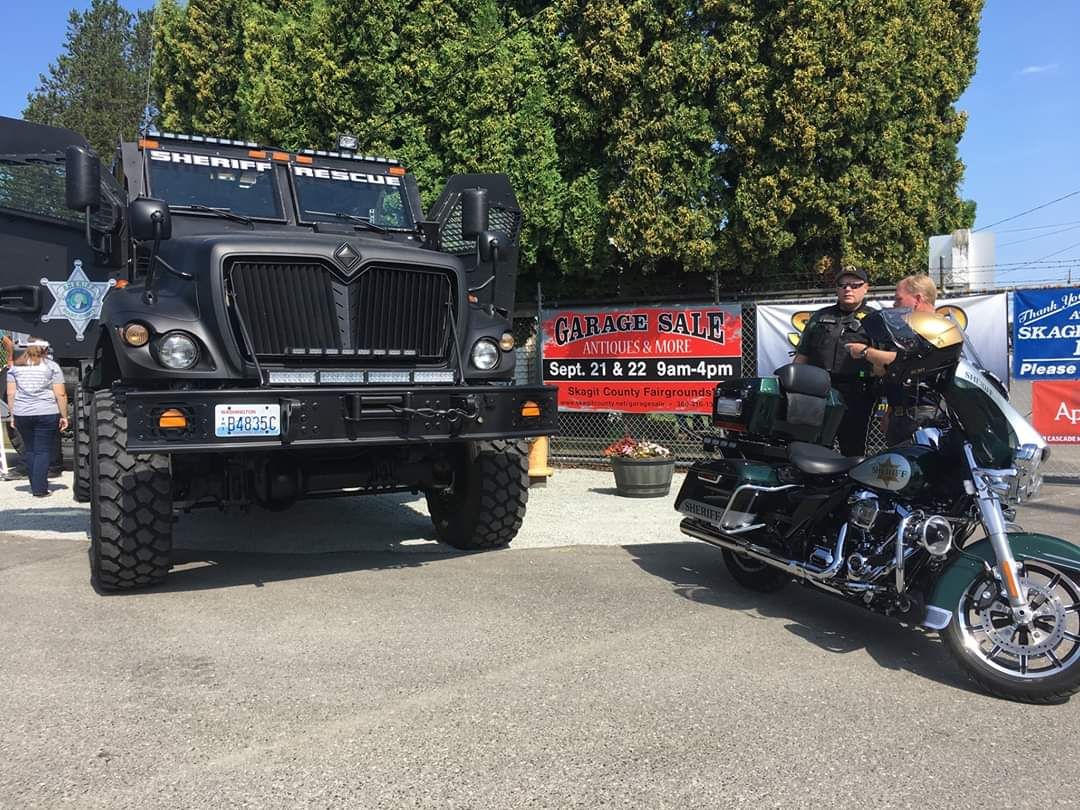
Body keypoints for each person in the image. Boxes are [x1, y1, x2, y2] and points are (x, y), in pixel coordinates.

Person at [846, 274, 942, 446]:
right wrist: (890, 412)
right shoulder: (906, 333)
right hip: (900, 415)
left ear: (917, 299)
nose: (894, 305)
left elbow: (906, 361)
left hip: (924, 416)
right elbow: (895, 375)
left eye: (898, 299)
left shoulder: (936, 329)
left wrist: (865, 352)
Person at [794, 266, 876, 456]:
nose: (848, 289)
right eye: (843, 285)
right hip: (819, 393)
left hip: (856, 395)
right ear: (836, 289)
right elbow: (802, 356)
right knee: (814, 447)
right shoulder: (820, 317)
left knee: (852, 449)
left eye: (855, 285)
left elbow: (884, 359)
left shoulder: (875, 319)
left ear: (866, 288)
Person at [5, 337, 68, 497]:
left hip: (23, 412)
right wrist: (64, 415)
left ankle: (35, 484)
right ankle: (40, 488)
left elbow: (11, 393)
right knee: (42, 450)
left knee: (31, 449)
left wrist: (13, 415)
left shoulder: (14, 368)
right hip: (46, 411)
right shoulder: (52, 367)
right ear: (45, 349)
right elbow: (60, 394)